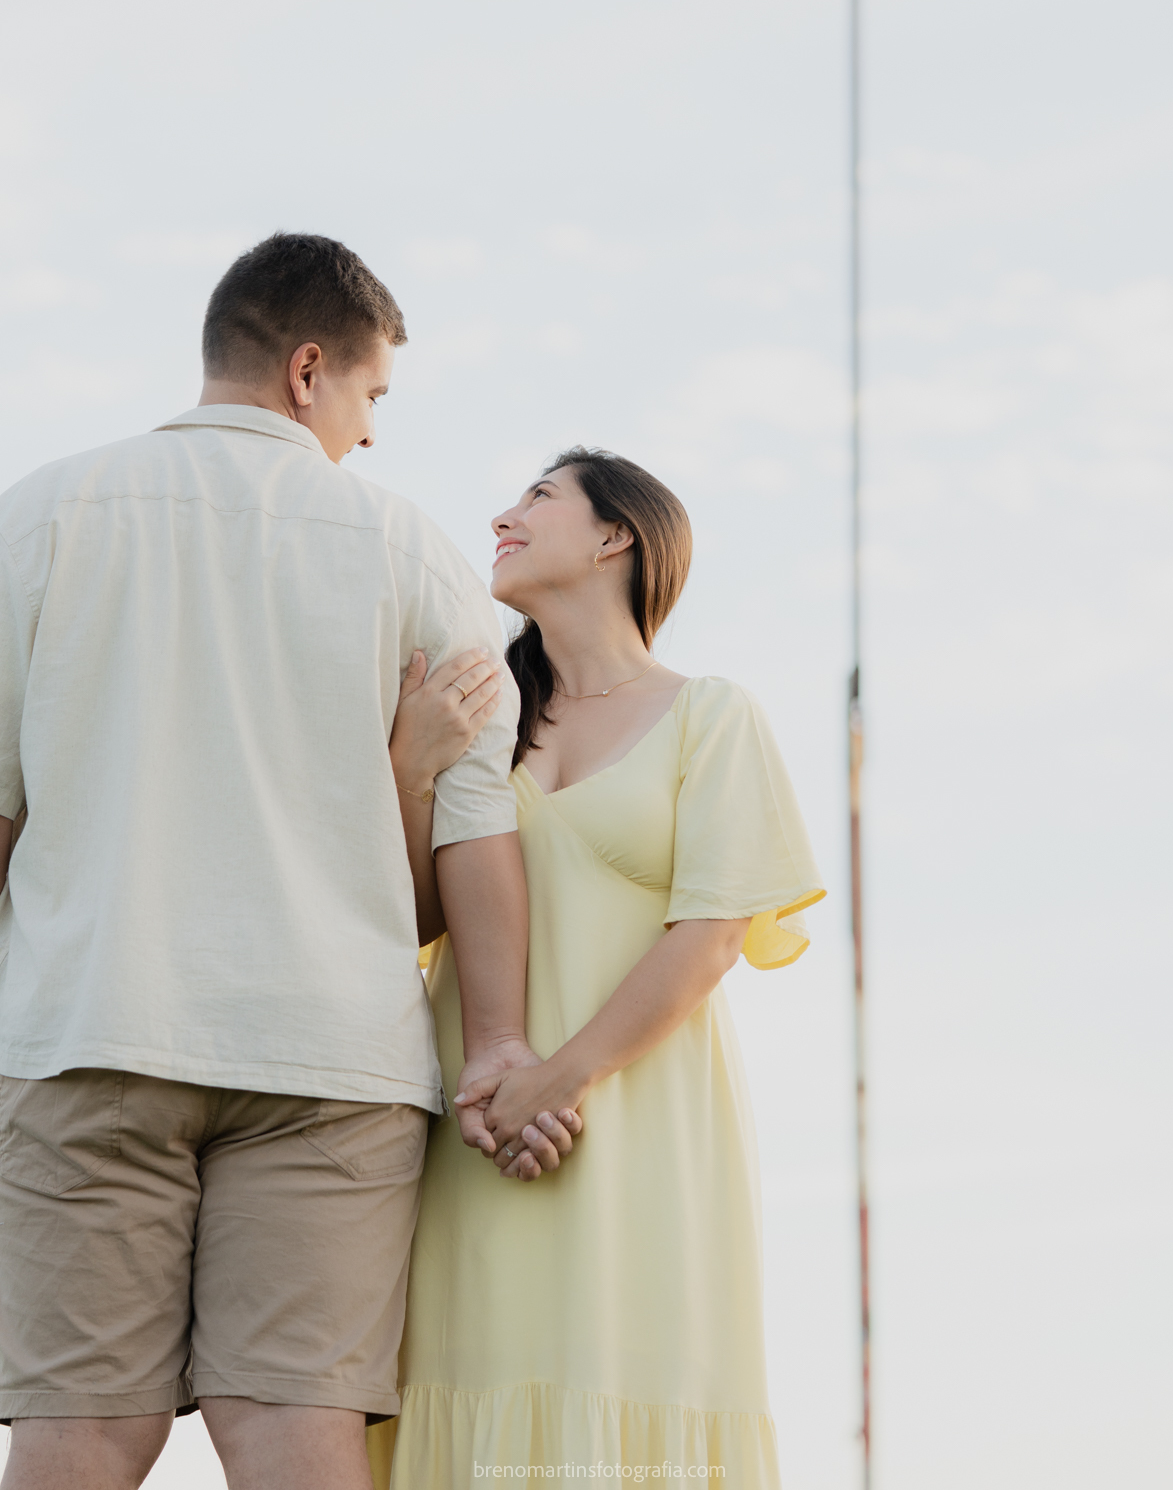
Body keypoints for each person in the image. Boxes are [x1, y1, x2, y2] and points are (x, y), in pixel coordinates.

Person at [0, 232, 576, 1490]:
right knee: (295, 1429)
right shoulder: (413, 551)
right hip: (332, 1058)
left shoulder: (37, 515)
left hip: (90, 1027)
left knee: (81, 1432)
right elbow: (480, 832)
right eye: (371, 396)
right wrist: (496, 1043)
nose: (371, 434)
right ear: (310, 371)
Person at [366, 447, 826, 1490]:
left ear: (617, 535)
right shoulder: (475, 714)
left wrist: (557, 1078)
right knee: (460, 1381)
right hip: (473, 1128)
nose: (502, 516)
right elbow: (409, 913)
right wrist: (407, 769)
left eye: (536, 497)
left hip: (636, 1126)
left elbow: (711, 937)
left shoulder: (712, 716)